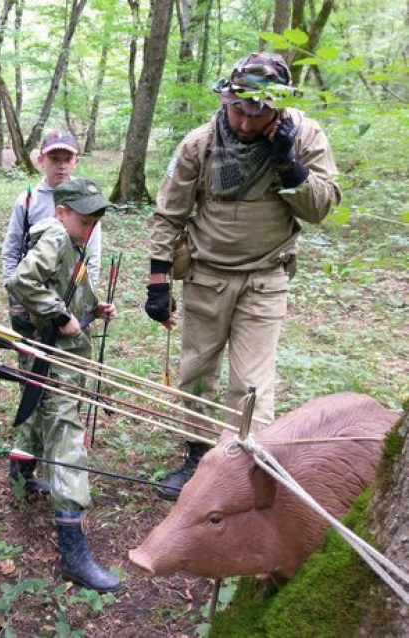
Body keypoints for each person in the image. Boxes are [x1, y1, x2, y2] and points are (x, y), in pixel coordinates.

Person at [144, 52, 341, 499]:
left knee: (252, 384)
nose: (247, 125)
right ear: (227, 99)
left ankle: (242, 464)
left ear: (279, 108)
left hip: (265, 277)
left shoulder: (304, 137)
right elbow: (168, 213)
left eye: (258, 113)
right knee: (196, 370)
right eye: (238, 110)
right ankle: (196, 458)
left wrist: (289, 163)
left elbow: (322, 207)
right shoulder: (200, 142)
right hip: (206, 274)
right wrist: (158, 282)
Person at [7, 178, 120, 592]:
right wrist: (58, 315)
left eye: (94, 223)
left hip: (63, 354)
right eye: (84, 221)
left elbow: (64, 290)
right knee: (67, 435)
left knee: (39, 411)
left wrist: (92, 307)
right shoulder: (56, 236)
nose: (89, 229)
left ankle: (19, 475)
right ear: (62, 213)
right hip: (53, 352)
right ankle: (74, 552)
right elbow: (22, 281)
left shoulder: (72, 241)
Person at [0, 130, 102, 494]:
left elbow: (88, 261)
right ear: (41, 160)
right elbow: (15, 262)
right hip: (37, 317)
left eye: (67, 158)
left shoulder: (87, 200)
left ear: (75, 161)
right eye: (54, 158)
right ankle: (33, 472)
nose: (61, 165)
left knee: (47, 389)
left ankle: (23, 466)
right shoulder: (29, 200)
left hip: (68, 315)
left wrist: (90, 304)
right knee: (41, 388)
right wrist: (28, 302)